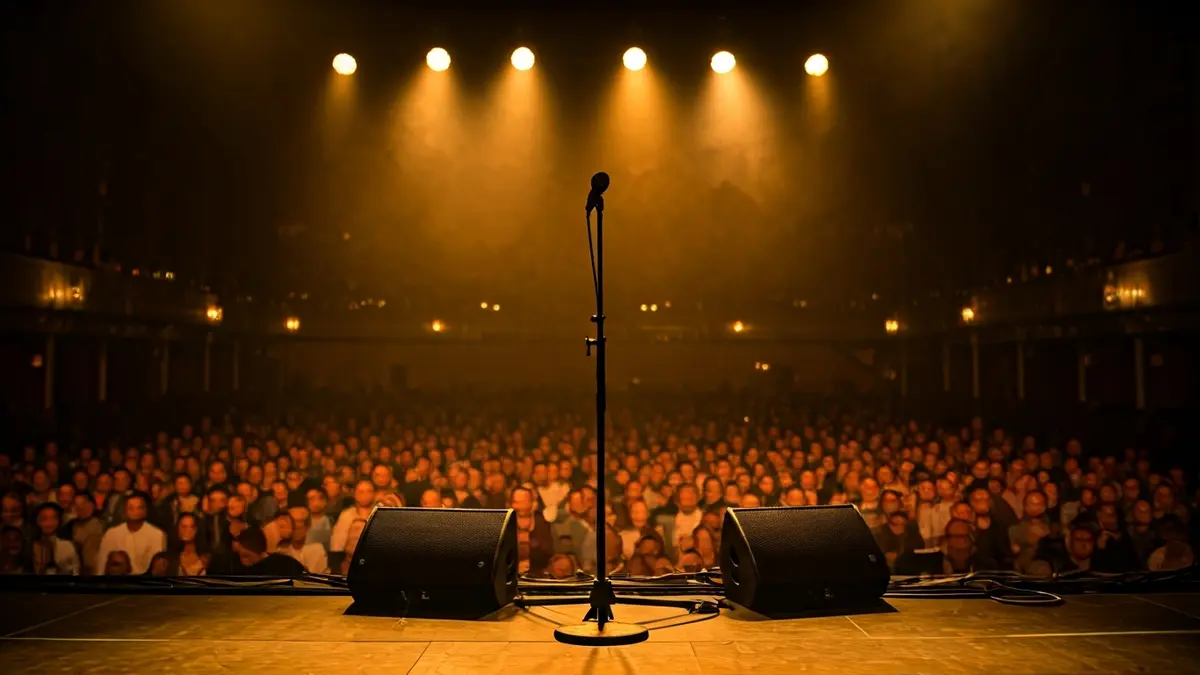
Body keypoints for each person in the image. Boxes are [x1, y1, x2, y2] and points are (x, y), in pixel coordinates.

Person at [95, 492, 167, 575]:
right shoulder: (111, 533)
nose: (135, 511)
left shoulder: (157, 534)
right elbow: (102, 564)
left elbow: (157, 569)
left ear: (145, 511)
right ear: (125, 511)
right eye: (131, 508)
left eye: (139, 507)